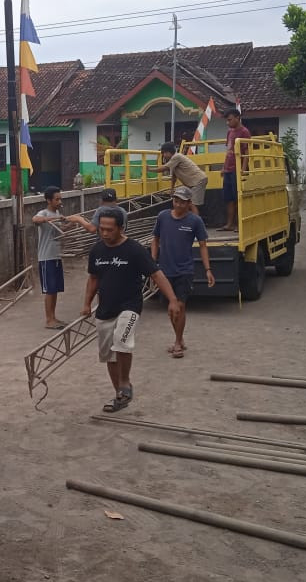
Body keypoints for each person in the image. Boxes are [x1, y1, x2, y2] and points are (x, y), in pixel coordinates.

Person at [82, 207, 182, 413]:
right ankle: (120, 393)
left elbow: (156, 274)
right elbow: (93, 279)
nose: (105, 233)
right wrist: (86, 303)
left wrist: (172, 299)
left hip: (129, 306)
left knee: (121, 341)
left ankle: (125, 382)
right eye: (102, 229)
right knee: (109, 355)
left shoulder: (134, 250)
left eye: (109, 229)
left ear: (120, 228)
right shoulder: (97, 251)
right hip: (105, 309)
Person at [151, 187, 215, 358]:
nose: (178, 204)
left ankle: (178, 342)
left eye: (182, 201)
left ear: (189, 203)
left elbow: (202, 245)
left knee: (179, 306)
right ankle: (179, 338)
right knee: (171, 309)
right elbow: (155, 240)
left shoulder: (195, 221)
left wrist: (208, 269)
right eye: (176, 200)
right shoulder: (163, 217)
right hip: (164, 271)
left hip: (184, 271)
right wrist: (152, 263)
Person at [33, 186, 69, 329]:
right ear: (49, 200)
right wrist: (52, 218)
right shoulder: (44, 213)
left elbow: (59, 231)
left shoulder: (57, 213)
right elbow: (35, 219)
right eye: (57, 199)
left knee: (54, 289)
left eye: (60, 198)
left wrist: (73, 222)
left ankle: (53, 317)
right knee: (49, 290)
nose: (59, 201)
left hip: (56, 256)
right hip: (46, 257)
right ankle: (49, 320)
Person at [152, 143, 209, 215]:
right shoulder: (173, 161)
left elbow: (164, 168)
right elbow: (174, 177)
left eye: (165, 153)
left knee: (192, 204)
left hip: (198, 181)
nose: (164, 155)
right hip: (193, 182)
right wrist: (172, 189)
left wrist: (150, 169)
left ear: (169, 152)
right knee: (187, 203)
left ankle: (196, 223)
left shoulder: (177, 157)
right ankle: (187, 220)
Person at [221, 109, 251, 231]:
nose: (228, 122)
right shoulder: (229, 132)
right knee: (229, 199)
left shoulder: (244, 132)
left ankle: (240, 224)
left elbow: (247, 153)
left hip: (237, 170)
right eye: (227, 120)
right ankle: (229, 224)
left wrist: (242, 170)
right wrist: (223, 167)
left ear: (238, 118)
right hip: (228, 170)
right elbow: (228, 152)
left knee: (238, 198)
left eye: (230, 119)